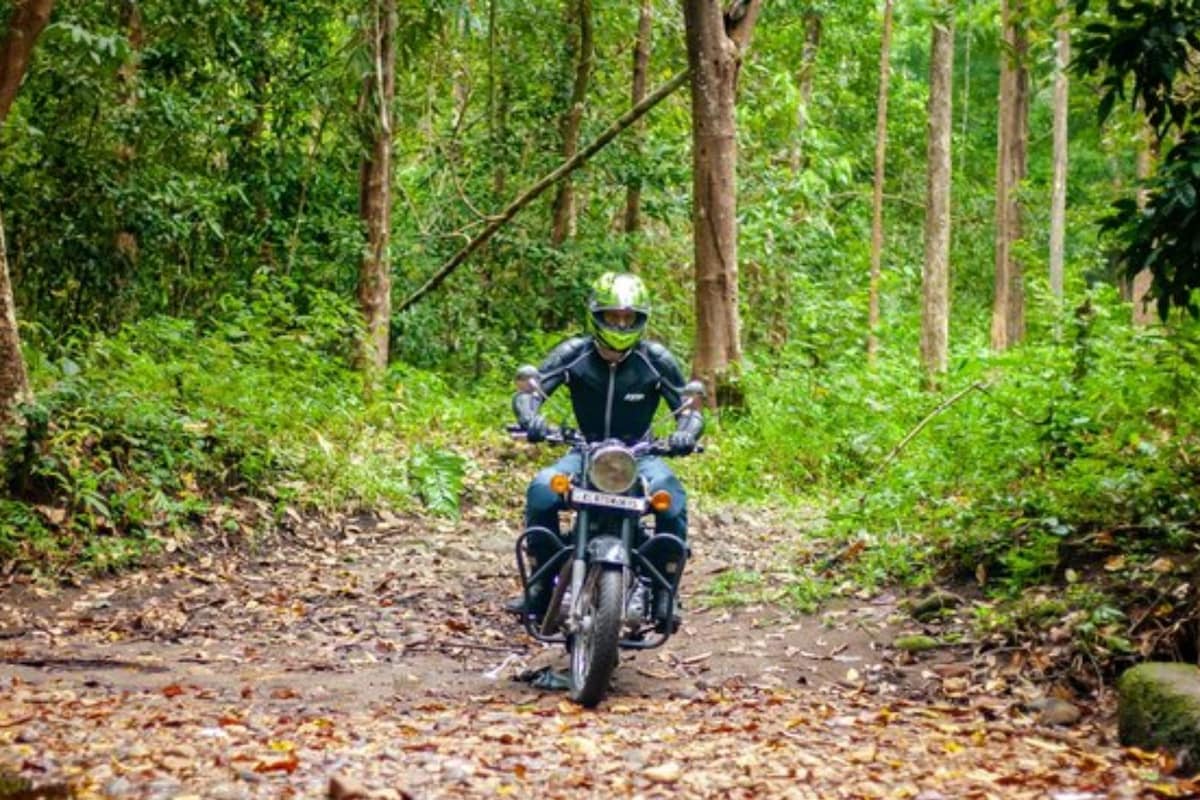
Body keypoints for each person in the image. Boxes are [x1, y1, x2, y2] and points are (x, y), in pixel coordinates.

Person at [509, 271, 704, 628]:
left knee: (671, 500)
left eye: (628, 318)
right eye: (613, 316)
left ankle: (665, 591)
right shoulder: (574, 354)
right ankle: (540, 586)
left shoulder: (655, 360)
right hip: (584, 450)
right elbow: (531, 393)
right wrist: (531, 418)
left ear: (641, 320)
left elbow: (688, 409)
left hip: (640, 454)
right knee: (541, 490)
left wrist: (685, 434)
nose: (620, 323)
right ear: (596, 316)